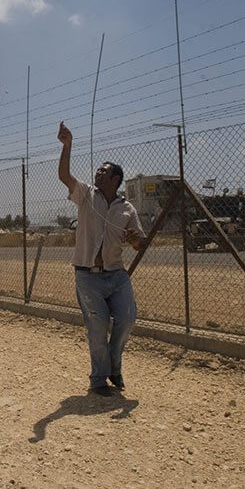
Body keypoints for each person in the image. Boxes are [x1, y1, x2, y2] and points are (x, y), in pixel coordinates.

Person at [57, 121, 146, 396]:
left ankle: (114, 367)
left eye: (104, 172)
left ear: (116, 179)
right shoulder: (86, 195)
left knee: (127, 318)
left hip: (116, 275)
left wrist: (133, 239)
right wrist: (67, 147)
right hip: (87, 276)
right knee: (97, 326)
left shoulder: (127, 208)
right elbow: (64, 176)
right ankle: (99, 380)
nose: (98, 173)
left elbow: (140, 243)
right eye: (98, 170)